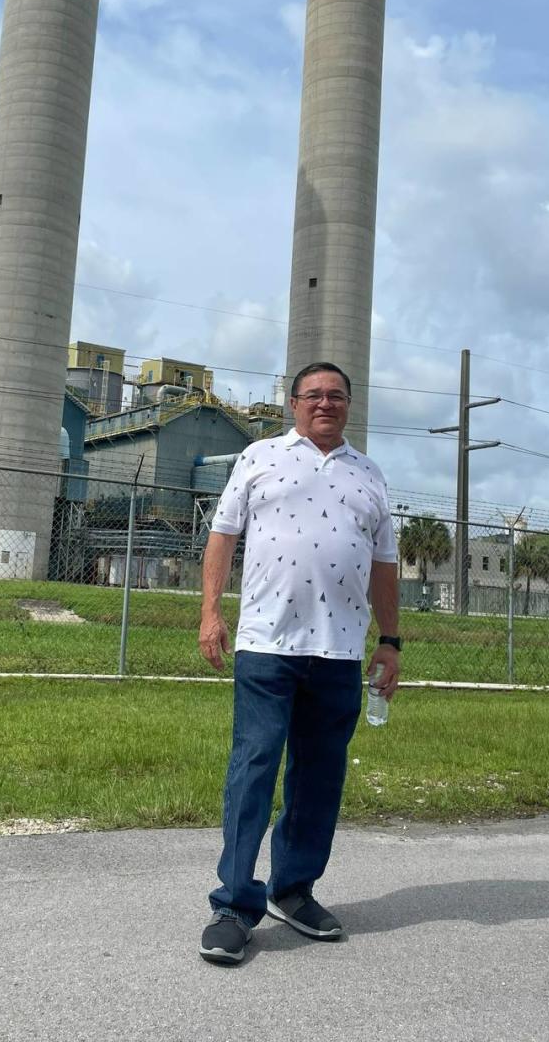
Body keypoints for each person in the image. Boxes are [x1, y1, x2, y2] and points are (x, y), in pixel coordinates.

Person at [198, 362, 401, 965]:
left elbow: (385, 565)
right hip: (267, 645)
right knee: (254, 768)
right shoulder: (258, 456)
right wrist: (211, 613)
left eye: (336, 395)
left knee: (319, 779)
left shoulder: (370, 474)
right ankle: (234, 904)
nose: (325, 403)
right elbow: (223, 535)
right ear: (291, 404)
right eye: (313, 395)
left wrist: (390, 640)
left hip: (339, 652)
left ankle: (295, 889)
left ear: (349, 405)